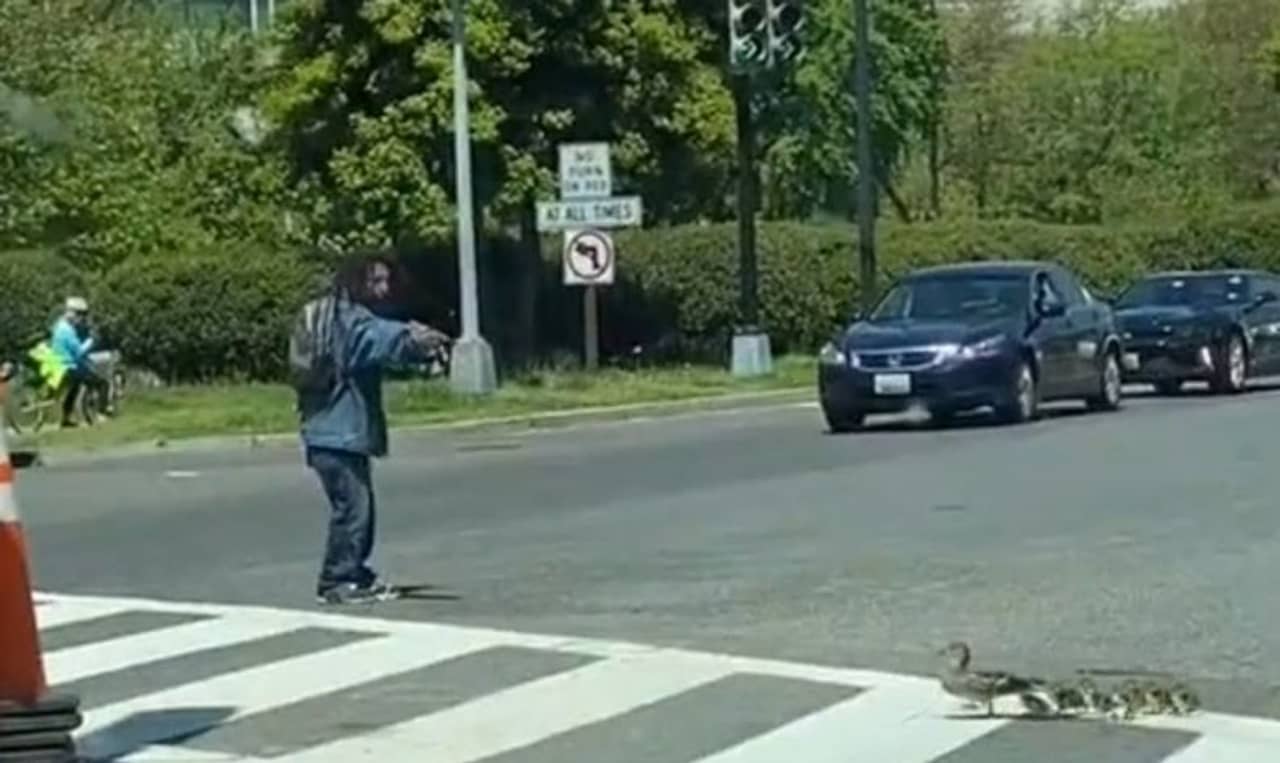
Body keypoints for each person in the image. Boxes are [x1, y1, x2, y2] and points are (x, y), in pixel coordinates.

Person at [298, 251, 450, 605]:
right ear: (355, 282)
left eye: (385, 280)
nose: (383, 288)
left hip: (322, 427)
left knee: (356, 506)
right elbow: (379, 339)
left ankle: (356, 573)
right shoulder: (351, 322)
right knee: (353, 510)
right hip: (340, 429)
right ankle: (337, 580)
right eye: (374, 281)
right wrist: (417, 339)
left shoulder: (321, 313)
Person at [50, 296, 110, 428]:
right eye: (80, 314)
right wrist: (91, 341)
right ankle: (101, 414)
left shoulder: (59, 325)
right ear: (72, 313)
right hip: (69, 366)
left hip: (59, 364)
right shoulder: (67, 331)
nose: (81, 318)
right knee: (102, 383)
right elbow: (78, 351)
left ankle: (66, 418)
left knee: (74, 388)